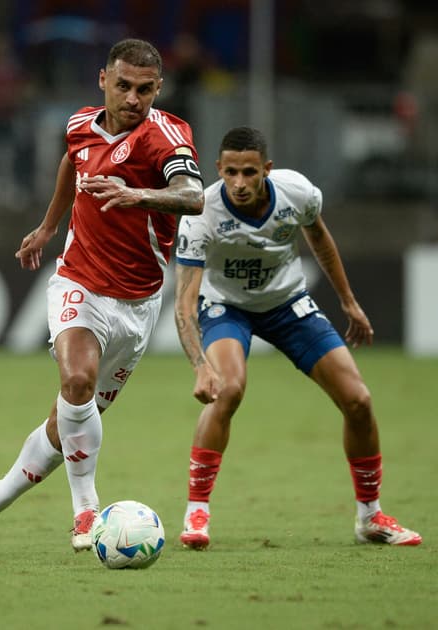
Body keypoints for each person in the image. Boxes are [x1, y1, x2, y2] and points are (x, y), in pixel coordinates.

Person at [0, 39, 205, 557]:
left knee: (66, 427)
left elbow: (194, 195)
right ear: (103, 79)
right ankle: (85, 509)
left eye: (145, 89)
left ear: (159, 88)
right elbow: (72, 164)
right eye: (124, 85)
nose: (134, 98)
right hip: (78, 282)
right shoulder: (80, 125)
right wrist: (46, 228)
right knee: (77, 379)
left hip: (138, 304)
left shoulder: (166, 137)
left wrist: (140, 195)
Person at [173, 126, 421, 549]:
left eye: (249, 172)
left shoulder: (298, 193)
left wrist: (348, 301)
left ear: (266, 169)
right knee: (227, 390)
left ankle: (370, 516)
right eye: (230, 172)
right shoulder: (201, 213)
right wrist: (200, 366)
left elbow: (319, 237)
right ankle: (198, 512)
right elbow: (183, 302)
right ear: (218, 169)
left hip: (288, 304)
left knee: (359, 400)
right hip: (226, 307)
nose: (239, 183)